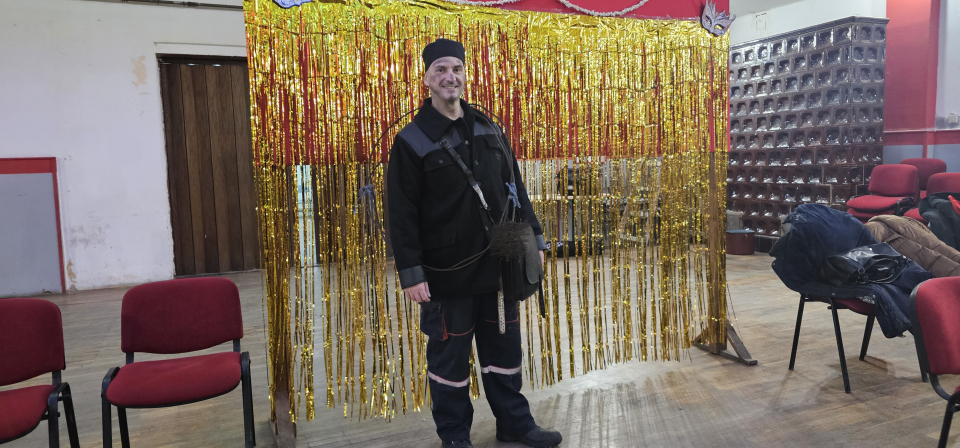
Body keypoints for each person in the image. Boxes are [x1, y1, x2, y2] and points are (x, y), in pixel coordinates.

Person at [386, 38, 563, 448]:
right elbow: (401, 214)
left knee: (505, 350)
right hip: (446, 273)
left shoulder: (489, 127)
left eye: (456, 69)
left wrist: (535, 237)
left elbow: (515, 187)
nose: (450, 77)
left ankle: (515, 423)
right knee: (449, 361)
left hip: (500, 265)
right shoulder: (411, 140)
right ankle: (454, 436)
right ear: (427, 78)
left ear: (465, 75)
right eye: (441, 70)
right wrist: (411, 272)